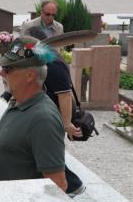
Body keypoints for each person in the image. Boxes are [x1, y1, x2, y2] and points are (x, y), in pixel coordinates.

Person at [0, 36, 68, 193]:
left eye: (8, 69)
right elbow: (10, 149)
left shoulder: (43, 119)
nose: (1, 73)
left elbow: (58, 185)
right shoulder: (18, 101)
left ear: (30, 75)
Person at [22, 26, 85, 197]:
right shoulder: (42, 58)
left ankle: (72, 186)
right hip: (43, 115)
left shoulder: (53, 63)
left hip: (52, 118)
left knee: (47, 155)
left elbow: (64, 95)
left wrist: (66, 123)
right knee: (41, 154)